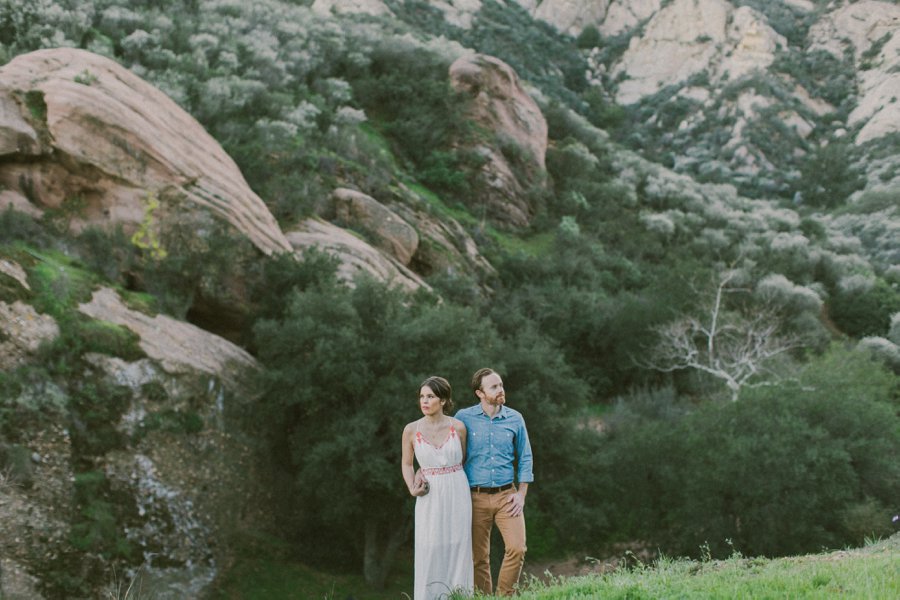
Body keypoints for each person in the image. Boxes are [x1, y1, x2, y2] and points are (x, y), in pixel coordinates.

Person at [456, 368, 533, 596]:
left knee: (517, 548)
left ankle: (505, 595)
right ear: (480, 393)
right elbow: (444, 447)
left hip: (506, 496)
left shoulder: (515, 418)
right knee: (479, 558)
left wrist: (521, 494)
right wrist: (421, 470)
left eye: (500, 385)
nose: (501, 390)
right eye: (494, 387)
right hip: (474, 497)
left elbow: (525, 456)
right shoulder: (463, 418)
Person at [401, 376, 474, 600]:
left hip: (457, 490)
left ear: (443, 400)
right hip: (429, 496)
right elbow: (406, 463)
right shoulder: (411, 430)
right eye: (422, 396)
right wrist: (412, 487)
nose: (424, 401)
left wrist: (447, 475)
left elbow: (463, 459)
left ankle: (459, 595)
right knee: (430, 546)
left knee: (458, 545)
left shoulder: (459, 427)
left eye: (430, 396)